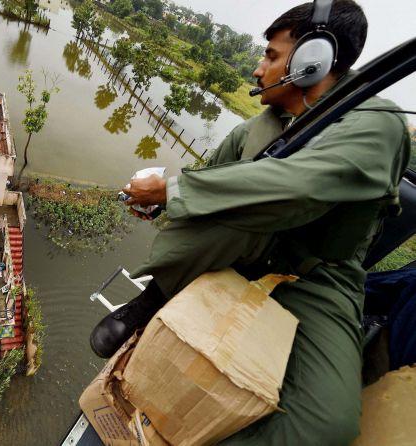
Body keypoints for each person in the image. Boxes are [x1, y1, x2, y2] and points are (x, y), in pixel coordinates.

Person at [90, 1, 411, 444]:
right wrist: (160, 201)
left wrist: (173, 191)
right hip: (244, 255)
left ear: (312, 60)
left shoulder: (377, 123)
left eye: (271, 56)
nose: (259, 70)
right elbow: (208, 186)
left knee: (328, 425)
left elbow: (298, 187)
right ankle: (153, 299)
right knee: (220, 206)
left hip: (318, 276)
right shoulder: (254, 132)